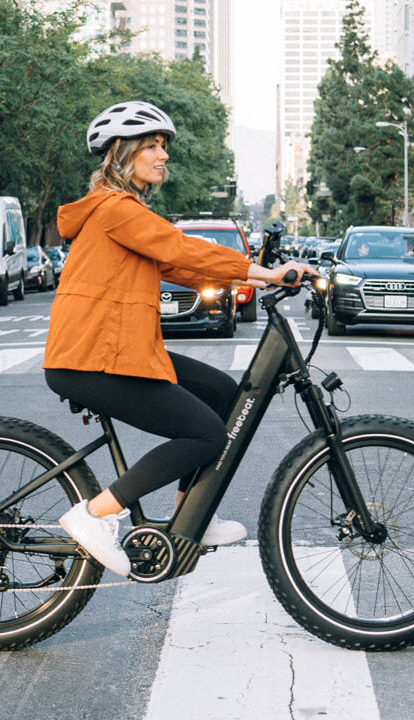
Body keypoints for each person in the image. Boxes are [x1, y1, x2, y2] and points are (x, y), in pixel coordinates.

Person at [46, 101, 313, 576]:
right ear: (122, 154)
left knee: (225, 397)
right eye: (151, 145)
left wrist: (255, 280)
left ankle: (191, 514)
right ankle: (95, 514)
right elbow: (179, 245)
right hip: (92, 358)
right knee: (206, 434)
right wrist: (264, 272)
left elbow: (177, 265)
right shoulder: (115, 209)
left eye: (163, 146)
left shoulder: (125, 212)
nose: (162, 155)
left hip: (117, 350)